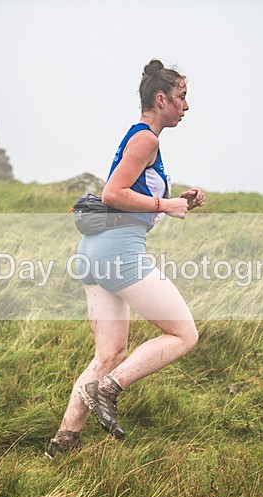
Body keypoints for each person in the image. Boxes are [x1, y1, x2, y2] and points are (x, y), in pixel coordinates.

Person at [46, 59, 206, 459]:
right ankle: (110, 387)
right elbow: (113, 194)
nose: (187, 107)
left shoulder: (142, 139)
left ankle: (63, 441)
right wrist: (166, 205)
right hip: (119, 252)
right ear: (161, 98)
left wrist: (175, 200)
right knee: (185, 335)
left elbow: (132, 193)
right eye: (183, 98)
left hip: (94, 253)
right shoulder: (146, 139)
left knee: (108, 353)